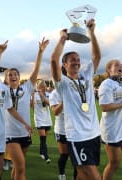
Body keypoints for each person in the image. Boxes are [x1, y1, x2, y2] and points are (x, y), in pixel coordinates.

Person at [50, 19, 102, 180]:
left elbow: (97, 55)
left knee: (81, 174)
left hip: (94, 133)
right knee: (94, 176)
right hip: (78, 137)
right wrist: (63, 38)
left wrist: (92, 33)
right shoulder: (62, 83)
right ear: (64, 65)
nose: (77, 62)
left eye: (78, 59)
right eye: (72, 59)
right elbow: (53, 60)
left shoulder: (86, 75)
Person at [0, 38, 49, 179]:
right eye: (9, 75)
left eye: (15, 74)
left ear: (19, 77)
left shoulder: (27, 87)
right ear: (6, 79)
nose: (13, 76)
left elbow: (36, 69)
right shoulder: (3, 89)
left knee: (17, 170)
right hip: (10, 134)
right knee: (21, 167)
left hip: (25, 133)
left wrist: (40, 52)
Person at [49, 89, 70, 180]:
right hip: (62, 130)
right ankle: (61, 174)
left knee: (76, 158)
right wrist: (65, 100)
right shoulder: (54, 93)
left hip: (75, 130)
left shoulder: (74, 89)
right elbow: (55, 112)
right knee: (64, 155)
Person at [31, 79, 52, 164]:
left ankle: (41, 152)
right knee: (43, 138)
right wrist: (32, 97)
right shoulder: (34, 95)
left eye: (43, 87)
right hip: (39, 119)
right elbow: (31, 106)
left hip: (47, 119)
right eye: (40, 87)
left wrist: (42, 95)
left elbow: (49, 104)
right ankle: (46, 156)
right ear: (37, 87)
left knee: (44, 138)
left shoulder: (48, 94)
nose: (41, 88)